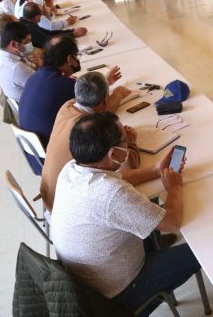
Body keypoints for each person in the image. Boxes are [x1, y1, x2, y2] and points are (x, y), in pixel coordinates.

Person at [50, 112, 201, 314]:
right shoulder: (111, 194)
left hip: (87, 283)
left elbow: (118, 177)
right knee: (201, 252)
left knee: (148, 211)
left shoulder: (71, 169)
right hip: (118, 294)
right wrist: (174, 187)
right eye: (126, 140)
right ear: (114, 154)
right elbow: (172, 222)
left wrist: (156, 170)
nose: (129, 142)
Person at [41, 72, 132, 212]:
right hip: (69, 206)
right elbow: (126, 165)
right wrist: (130, 143)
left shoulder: (67, 106)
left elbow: (101, 111)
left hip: (50, 195)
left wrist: (106, 87)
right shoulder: (90, 131)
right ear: (105, 100)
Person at [18, 35, 88, 145]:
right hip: (53, 148)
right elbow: (93, 107)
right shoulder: (66, 85)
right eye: (76, 56)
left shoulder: (33, 77)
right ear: (69, 59)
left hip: (33, 149)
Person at [0, 21, 36, 102]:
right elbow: (44, 85)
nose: (30, 45)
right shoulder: (16, 68)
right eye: (26, 42)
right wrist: (41, 64)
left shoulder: (3, 56)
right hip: (32, 101)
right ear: (14, 44)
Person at [17, 0, 81, 34]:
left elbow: (50, 16)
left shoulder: (33, 3)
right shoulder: (30, 8)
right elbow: (51, 27)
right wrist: (68, 22)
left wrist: (44, 4)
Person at [20, 2, 86, 48]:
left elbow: (48, 33)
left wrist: (71, 31)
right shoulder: (30, 28)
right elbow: (50, 41)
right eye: (41, 14)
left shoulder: (25, 22)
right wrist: (73, 34)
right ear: (37, 17)